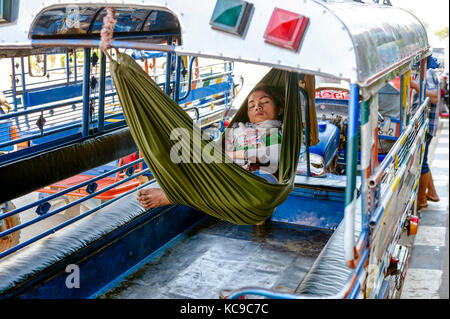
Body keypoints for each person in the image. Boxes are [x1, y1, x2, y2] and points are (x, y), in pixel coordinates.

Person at [137, 84, 284, 210]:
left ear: (280, 110)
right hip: (228, 177)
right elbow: (214, 153)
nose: (257, 106)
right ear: (248, 114)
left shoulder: (277, 132)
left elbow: (274, 155)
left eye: (264, 102)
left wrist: (232, 156)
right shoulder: (238, 130)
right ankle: (175, 189)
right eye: (251, 106)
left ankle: (170, 197)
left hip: (258, 184)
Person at [410, 56, 441, 210]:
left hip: (426, 125)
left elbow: (434, 97)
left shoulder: (426, 73)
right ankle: (432, 193)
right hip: (427, 124)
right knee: (424, 160)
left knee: (421, 163)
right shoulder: (427, 72)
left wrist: (414, 85)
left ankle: (421, 200)